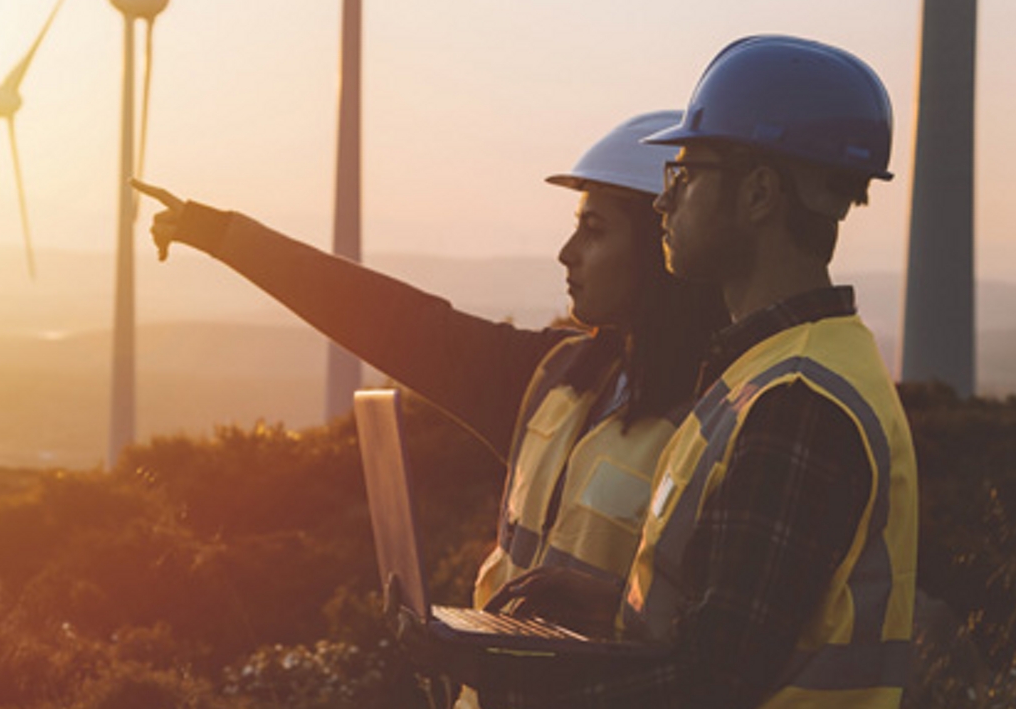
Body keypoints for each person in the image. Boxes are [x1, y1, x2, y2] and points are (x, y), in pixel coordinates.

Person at [133, 111, 727, 702]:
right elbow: (390, 319)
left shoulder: (724, 415)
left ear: (660, 245)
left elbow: (714, 650)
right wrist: (218, 233)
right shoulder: (553, 377)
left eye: (594, 230)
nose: (566, 253)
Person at [481, 35, 919, 709]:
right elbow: (731, 631)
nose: (663, 203)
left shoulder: (796, 402)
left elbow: (711, 683)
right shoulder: (774, 372)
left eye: (682, 177)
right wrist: (613, 609)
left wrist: (507, 674)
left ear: (760, 195)